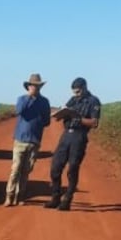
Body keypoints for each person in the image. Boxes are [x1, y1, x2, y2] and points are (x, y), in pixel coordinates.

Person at [45, 77, 101, 211]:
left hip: (79, 136)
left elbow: (94, 123)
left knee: (72, 169)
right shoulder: (73, 99)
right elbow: (64, 112)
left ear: (85, 88)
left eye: (78, 92)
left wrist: (78, 118)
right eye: (74, 92)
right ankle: (55, 197)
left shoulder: (93, 101)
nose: (76, 94)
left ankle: (67, 199)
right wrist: (59, 114)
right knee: (55, 168)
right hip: (66, 136)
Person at [4, 73, 51, 207]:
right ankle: (9, 195)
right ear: (28, 86)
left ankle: (20, 196)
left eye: (37, 86)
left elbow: (47, 121)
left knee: (26, 171)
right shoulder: (22, 99)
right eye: (32, 85)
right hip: (20, 139)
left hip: (34, 141)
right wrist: (29, 98)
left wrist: (39, 121)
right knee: (15, 170)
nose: (35, 88)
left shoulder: (44, 102)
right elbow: (18, 111)